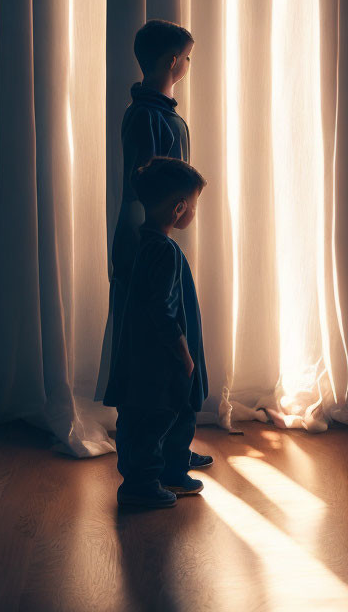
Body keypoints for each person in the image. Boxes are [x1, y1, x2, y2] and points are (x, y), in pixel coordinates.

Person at [103, 157, 209, 508]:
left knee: (145, 418)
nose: (194, 212)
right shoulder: (164, 251)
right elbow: (160, 308)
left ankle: (159, 475)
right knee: (159, 416)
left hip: (141, 355)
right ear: (180, 209)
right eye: (193, 206)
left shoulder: (145, 242)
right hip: (159, 359)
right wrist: (183, 351)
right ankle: (142, 485)